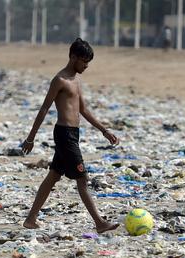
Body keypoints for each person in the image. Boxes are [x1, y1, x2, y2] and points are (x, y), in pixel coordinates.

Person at [21, 38, 119, 233]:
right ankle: (99, 223)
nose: (86, 66)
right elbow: (44, 109)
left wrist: (104, 130)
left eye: (88, 62)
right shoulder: (60, 80)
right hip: (64, 134)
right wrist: (31, 138)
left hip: (73, 134)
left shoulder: (76, 80)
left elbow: (83, 109)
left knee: (53, 176)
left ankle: (30, 219)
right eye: (83, 61)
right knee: (82, 179)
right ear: (73, 57)